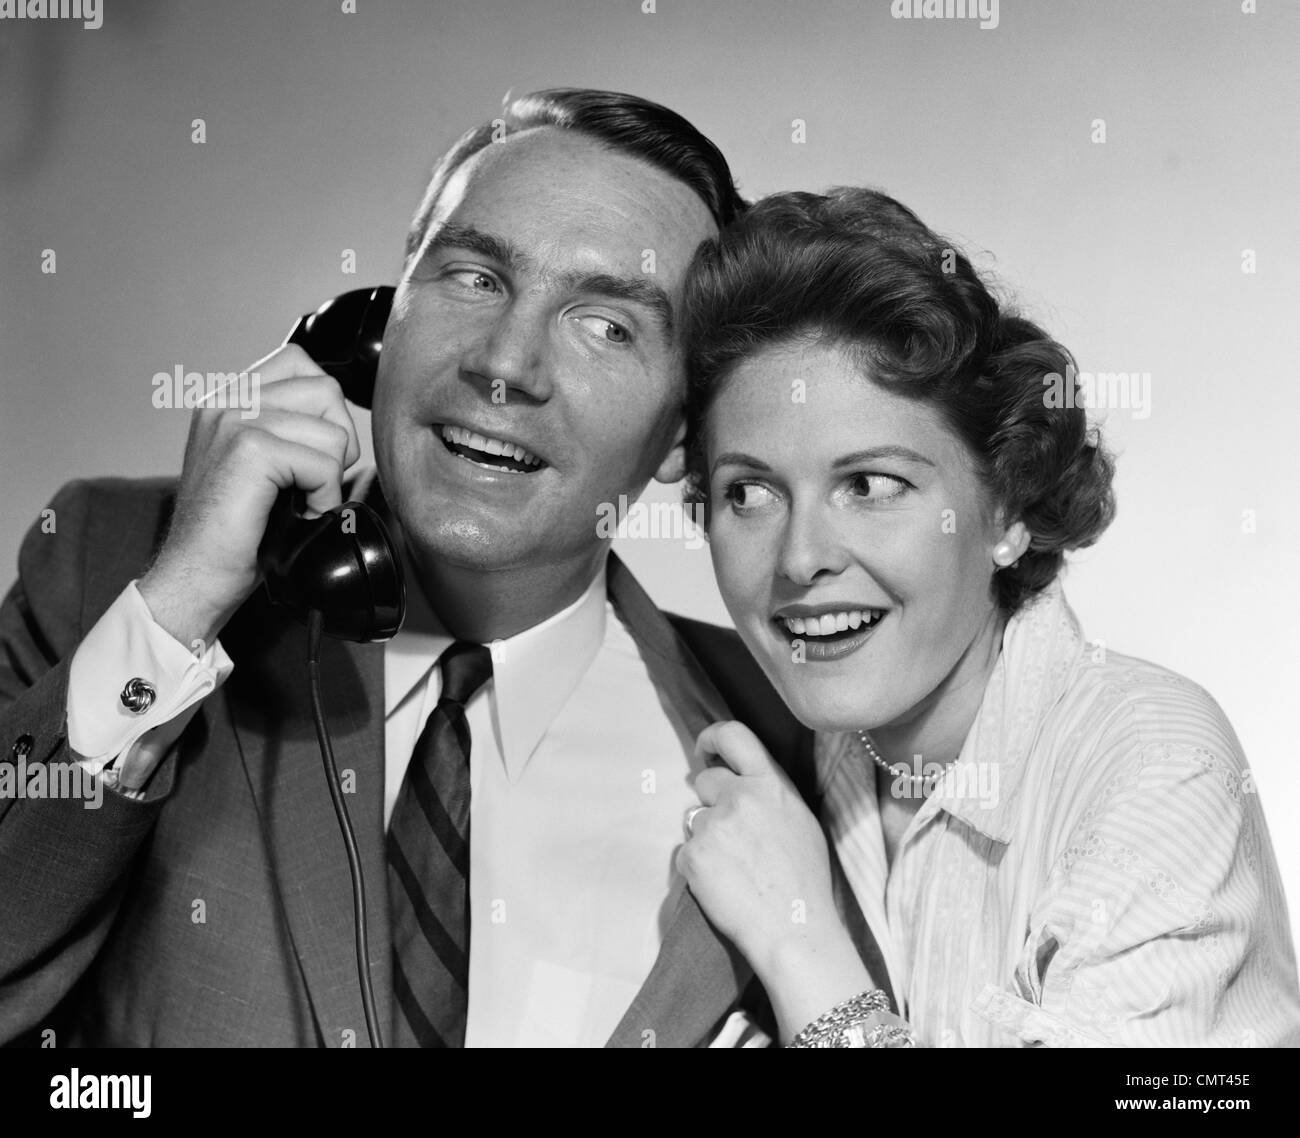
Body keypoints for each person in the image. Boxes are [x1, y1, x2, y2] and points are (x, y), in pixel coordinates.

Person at [0, 89, 811, 1048]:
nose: (507, 363)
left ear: (681, 435)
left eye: (608, 326)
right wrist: (178, 605)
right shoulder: (113, 564)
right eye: (473, 277)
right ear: (374, 328)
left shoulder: (788, 734)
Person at [674, 186, 1300, 1047]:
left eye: (869, 486)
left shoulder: (1158, 766)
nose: (798, 558)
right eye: (749, 492)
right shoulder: (770, 752)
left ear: (1004, 511)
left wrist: (801, 948)